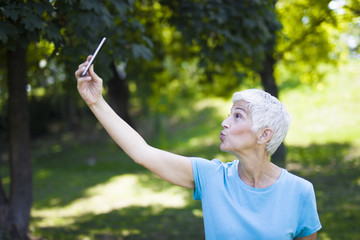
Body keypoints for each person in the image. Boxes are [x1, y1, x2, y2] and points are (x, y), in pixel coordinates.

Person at [75, 56, 322, 240]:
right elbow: (142, 152)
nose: (224, 122)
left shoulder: (300, 192)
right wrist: (95, 101)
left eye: (237, 116)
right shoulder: (212, 177)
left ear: (264, 134)